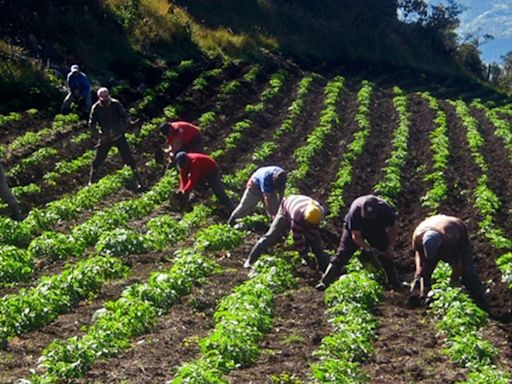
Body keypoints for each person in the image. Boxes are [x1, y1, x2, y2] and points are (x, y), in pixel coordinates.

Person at [316, 194, 402, 291]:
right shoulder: (355, 210)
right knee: (343, 254)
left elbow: (394, 228)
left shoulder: (385, 209)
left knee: (385, 254)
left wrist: (390, 247)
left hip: (377, 229)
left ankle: (395, 284)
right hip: (354, 229)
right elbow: (356, 236)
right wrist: (369, 249)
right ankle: (324, 282)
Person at [411, 214, 490, 312]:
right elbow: (419, 255)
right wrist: (419, 271)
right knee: (423, 272)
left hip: (457, 228)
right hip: (433, 224)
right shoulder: (417, 237)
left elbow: (458, 266)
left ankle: (481, 301)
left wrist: (453, 283)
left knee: (468, 270)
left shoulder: (449, 240)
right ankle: (419, 295)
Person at [244, 194, 330, 270]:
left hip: (299, 205)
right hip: (285, 209)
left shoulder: (319, 212)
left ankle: (323, 266)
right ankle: (250, 260)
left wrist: (310, 243)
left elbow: (313, 232)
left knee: (315, 240)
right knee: (272, 235)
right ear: (305, 219)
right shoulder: (298, 216)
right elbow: (297, 239)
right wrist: (306, 256)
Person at [88, 87, 145, 189]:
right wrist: (99, 135)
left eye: (106, 97)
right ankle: (91, 182)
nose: (105, 100)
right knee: (97, 160)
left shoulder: (116, 104)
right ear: (99, 98)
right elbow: (92, 124)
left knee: (129, 158)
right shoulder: (95, 108)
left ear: (109, 96)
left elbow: (124, 115)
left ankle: (140, 181)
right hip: (106, 137)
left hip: (118, 135)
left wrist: (128, 122)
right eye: (103, 99)